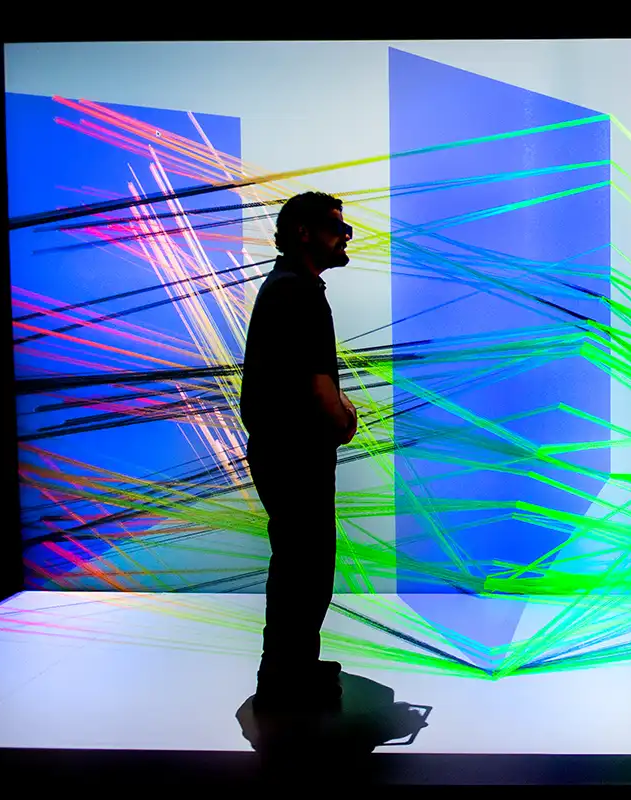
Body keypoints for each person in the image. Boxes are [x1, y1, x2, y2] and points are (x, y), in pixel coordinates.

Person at [240, 191, 359, 715]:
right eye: (336, 225)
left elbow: (309, 380)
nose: (346, 234)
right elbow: (318, 393)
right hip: (297, 458)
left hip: (281, 452)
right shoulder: (301, 295)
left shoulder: (286, 288)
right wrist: (345, 417)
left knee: (298, 565)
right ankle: (286, 683)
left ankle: (290, 670)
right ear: (304, 232)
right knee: (305, 569)